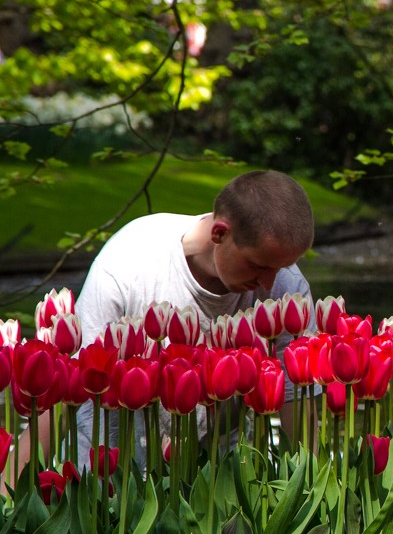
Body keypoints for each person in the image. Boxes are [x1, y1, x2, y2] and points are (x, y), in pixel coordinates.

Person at [28, 170, 317, 468]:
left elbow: (297, 399)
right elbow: (71, 381)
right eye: (258, 266)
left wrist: (309, 492)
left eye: (281, 268)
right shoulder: (130, 261)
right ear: (219, 233)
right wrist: (9, 491)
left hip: (216, 478)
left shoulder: (286, 286)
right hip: (109, 472)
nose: (269, 283)